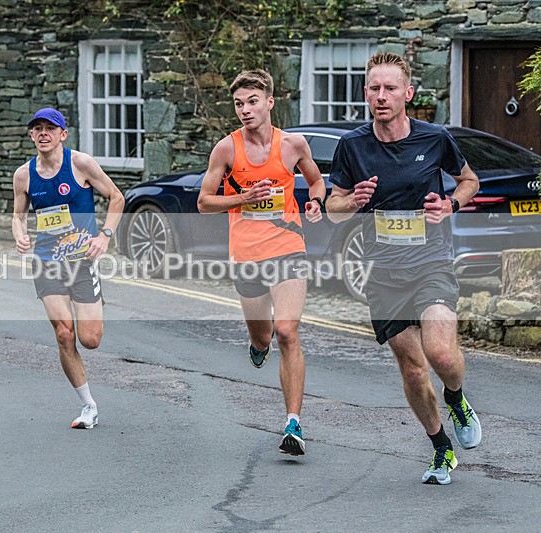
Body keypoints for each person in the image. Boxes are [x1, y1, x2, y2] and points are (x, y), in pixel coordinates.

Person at [325, 52, 481, 485]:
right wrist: (351, 201)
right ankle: (440, 448)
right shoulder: (352, 146)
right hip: (382, 274)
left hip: (430, 263)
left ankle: (456, 398)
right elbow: (332, 208)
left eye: (390, 88)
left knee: (442, 354)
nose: (381, 96)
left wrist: (450, 203)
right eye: (374, 88)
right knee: (413, 369)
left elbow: (470, 181)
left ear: (407, 94)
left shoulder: (434, 139)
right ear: (365, 94)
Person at [197, 70, 326, 456]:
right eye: (238, 103)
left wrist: (315, 202)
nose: (245, 110)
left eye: (252, 101)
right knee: (264, 337)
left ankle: (293, 424)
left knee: (287, 331)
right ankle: (258, 343)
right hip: (247, 255)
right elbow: (204, 201)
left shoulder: (293, 145)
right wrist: (243, 200)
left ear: (270, 102)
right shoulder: (227, 150)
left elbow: (317, 182)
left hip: (288, 246)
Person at [12, 108, 124, 429]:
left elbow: (116, 198)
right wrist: (20, 234)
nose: (43, 133)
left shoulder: (81, 164)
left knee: (90, 339)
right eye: (37, 129)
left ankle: (93, 309)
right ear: (32, 135)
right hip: (47, 261)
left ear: (63, 134)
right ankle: (88, 405)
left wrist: (104, 236)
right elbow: (18, 215)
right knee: (64, 334)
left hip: (83, 261)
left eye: (51, 128)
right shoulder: (24, 175)